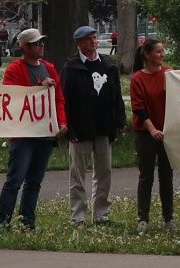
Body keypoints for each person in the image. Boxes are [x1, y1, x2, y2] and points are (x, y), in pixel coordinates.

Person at [0, 29, 65, 230]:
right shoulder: (14, 69)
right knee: (15, 180)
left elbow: (59, 98)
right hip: (23, 135)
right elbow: (13, 98)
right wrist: (38, 86)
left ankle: (28, 221)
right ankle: (4, 223)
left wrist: (62, 123)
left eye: (42, 42)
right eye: (36, 44)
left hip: (44, 134)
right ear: (24, 47)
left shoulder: (49, 68)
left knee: (34, 181)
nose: (41, 46)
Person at [61, 24, 124, 226]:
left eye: (94, 38)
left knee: (104, 173)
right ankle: (78, 215)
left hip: (104, 127)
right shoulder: (71, 68)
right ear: (79, 43)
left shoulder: (108, 64)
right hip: (80, 129)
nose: (93, 41)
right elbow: (65, 99)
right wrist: (69, 128)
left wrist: (119, 120)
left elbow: (117, 96)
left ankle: (101, 213)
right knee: (78, 175)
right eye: (88, 38)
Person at [128, 38, 174, 229]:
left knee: (167, 176)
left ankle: (169, 218)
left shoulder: (168, 73)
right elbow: (138, 108)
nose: (162, 55)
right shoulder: (138, 78)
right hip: (145, 133)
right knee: (146, 176)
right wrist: (152, 128)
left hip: (167, 132)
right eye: (158, 52)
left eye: (163, 51)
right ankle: (143, 218)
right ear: (147, 55)